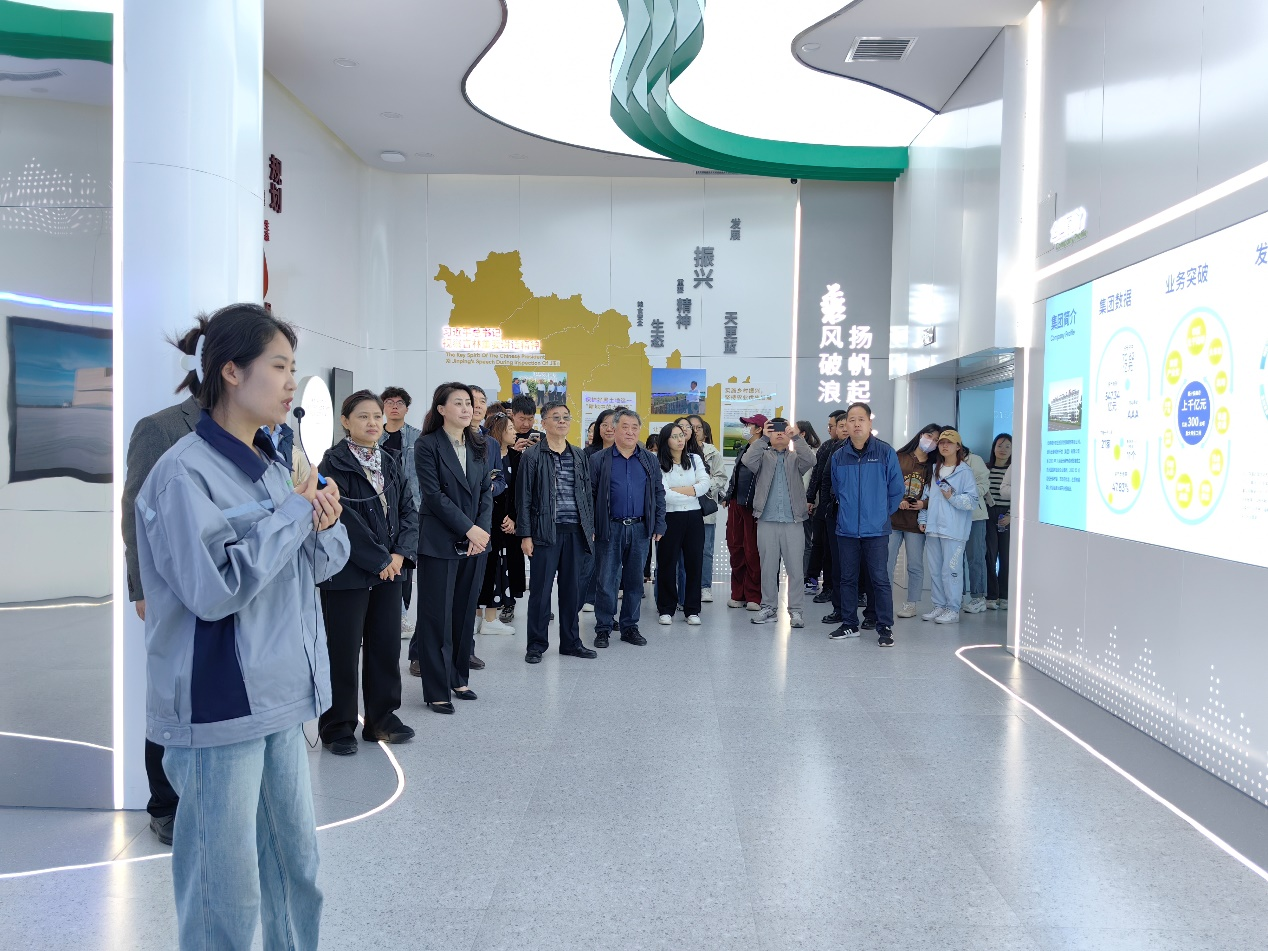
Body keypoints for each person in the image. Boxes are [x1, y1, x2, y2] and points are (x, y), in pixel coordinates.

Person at [135, 303, 349, 951]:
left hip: (280, 696)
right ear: (231, 371)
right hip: (220, 705)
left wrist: (324, 520)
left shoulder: (274, 463)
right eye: (279, 367)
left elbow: (312, 567)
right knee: (224, 893)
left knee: (295, 871)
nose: (291, 382)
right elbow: (214, 590)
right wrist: (293, 516)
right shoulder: (182, 473)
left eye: (293, 368)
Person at [121, 346, 205, 846]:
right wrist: (140, 586)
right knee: (170, 697)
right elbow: (136, 511)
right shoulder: (162, 427)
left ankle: (203, 797)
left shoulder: (255, 434)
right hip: (170, 588)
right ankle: (165, 804)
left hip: (227, 588)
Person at [317, 391, 418, 755]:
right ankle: (338, 726)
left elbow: (409, 509)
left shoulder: (389, 460)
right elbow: (344, 519)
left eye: (377, 416)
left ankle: (382, 719)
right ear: (345, 422)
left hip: (391, 570)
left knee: (386, 647)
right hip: (347, 572)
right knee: (343, 651)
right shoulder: (331, 464)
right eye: (363, 416)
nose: (373, 422)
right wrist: (380, 559)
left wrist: (400, 554)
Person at [411, 383, 493, 713]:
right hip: (439, 540)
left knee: (463, 613)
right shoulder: (427, 445)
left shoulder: (479, 444)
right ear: (441, 409)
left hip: (475, 543)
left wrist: (480, 533)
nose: (466, 408)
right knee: (436, 617)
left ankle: (459, 678)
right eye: (458, 403)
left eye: (469, 403)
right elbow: (433, 496)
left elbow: (485, 492)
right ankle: (436, 689)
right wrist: (469, 529)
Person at [516, 401, 599, 662]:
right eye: (556, 417)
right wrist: (525, 535)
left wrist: (589, 528)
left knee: (572, 591)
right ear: (544, 423)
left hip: (576, 532)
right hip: (544, 533)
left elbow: (587, 495)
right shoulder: (532, 456)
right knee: (540, 592)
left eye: (565, 417)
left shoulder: (579, 455)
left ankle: (571, 642)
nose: (562, 421)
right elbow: (523, 498)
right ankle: (536, 645)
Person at [827, 402, 903, 647]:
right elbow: (837, 489)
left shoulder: (885, 452)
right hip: (847, 529)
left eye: (861, 419)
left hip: (876, 529)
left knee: (879, 579)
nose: (856, 424)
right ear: (846, 425)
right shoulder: (839, 456)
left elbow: (896, 490)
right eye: (852, 420)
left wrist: (880, 514)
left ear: (870, 423)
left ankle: (885, 626)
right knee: (847, 579)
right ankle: (850, 624)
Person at [589, 409, 666, 647]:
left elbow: (658, 493)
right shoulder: (599, 459)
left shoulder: (649, 459)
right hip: (609, 528)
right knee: (606, 580)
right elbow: (590, 496)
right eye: (625, 427)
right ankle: (603, 628)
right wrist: (591, 526)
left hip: (640, 528)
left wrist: (659, 523)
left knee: (634, 582)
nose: (630, 432)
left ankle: (630, 627)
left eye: (635, 427)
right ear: (614, 429)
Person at [743, 418, 817, 628]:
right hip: (766, 520)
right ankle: (768, 608)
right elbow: (748, 460)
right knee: (767, 568)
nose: (778, 433)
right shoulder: (762, 456)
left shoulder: (796, 458)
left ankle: (796, 611)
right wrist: (763, 438)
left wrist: (796, 437)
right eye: (774, 430)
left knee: (796, 570)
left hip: (794, 521)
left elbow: (811, 460)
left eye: (783, 429)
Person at [918, 429, 979, 625]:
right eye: (942, 442)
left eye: (949, 443)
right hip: (933, 529)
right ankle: (939, 605)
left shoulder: (964, 472)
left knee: (951, 570)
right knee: (935, 570)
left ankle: (953, 609)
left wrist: (952, 497)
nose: (944, 446)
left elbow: (972, 501)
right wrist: (923, 518)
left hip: (954, 531)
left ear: (958, 447)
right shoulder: (936, 469)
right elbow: (927, 497)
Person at [654, 422, 711, 626]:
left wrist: (680, 490)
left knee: (694, 563)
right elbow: (663, 493)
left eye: (681, 435)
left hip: (694, 517)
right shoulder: (657, 462)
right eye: (674, 436)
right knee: (667, 564)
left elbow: (705, 484)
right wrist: (691, 490)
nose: (680, 440)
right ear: (665, 440)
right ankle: (666, 609)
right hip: (669, 518)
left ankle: (692, 609)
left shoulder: (695, 459)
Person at [379, 386, 422, 635]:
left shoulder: (417, 437)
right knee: (383, 559)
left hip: (410, 506)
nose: (394, 407)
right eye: (389, 402)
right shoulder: (375, 437)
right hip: (381, 505)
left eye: (399, 403)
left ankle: (402, 614)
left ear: (406, 408)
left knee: (405, 560)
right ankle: (387, 614)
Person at [889, 424, 941, 618]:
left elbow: (937, 495)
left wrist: (923, 504)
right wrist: (897, 500)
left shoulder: (934, 466)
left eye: (936, 440)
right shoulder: (899, 457)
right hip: (893, 520)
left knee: (915, 565)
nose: (931, 442)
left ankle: (911, 604)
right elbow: (886, 483)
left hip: (916, 523)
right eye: (929, 436)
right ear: (920, 435)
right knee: (886, 563)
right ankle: (882, 601)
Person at [498, 395, 541, 622]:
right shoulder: (503, 439)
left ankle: (541, 604)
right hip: (511, 509)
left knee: (540, 561)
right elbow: (507, 480)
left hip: (536, 510)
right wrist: (514, 452)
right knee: (511, 560)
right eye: (521, 419)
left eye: (530, 419)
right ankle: (509, 603)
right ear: (512, 415)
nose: (526, 424)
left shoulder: (542, 439)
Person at [477, 412, 519, 635]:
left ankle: (491, 617)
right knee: (481, 566)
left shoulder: (514, 457)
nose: (514, 432)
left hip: (502, 521)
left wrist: (513, 516)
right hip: (484, 518)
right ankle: (478, 617)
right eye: (510, 428)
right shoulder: (486, 449)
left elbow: (515, 490)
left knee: (495, 567)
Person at [677, 415, 725, 603]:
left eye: (698, 427)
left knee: (705, 551)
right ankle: (681, 589)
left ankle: (705, 587)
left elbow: (721, 477)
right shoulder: (674, 450)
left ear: (704, 432)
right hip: (680, 507)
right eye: (690, 427)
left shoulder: (712, 452)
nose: (694, 430)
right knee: (680, 553)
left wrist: (701, 487)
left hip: (704, 508)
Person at [806, 410, 846, 616]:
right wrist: (811, 498)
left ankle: (856, 592)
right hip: (827, 506)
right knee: (824, 547)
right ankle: (827, 586)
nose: (836, 429)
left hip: (848, 509)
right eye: (834, 426)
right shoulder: (828, 447)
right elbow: (819, 475)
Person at [581, 408, 621, 611]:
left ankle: (609, 601)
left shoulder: (625, 452)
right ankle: (589, 597)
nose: (608, 428)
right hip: (594, 514)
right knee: (592, 558)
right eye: (604, 424)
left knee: (613, 563)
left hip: (618, 515)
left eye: (613, 424)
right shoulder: (588, 454)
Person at [724, 415, 765, 611]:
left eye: (748, 425)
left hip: (753, 507)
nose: (745, 427)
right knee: (736, 549)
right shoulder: (744, 448)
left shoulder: (766, 450)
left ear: (759, 429)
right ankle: (737, 593)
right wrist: (728, 495)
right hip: (736, 504)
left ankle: (754, 596)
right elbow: (735, 476)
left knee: (752, 552)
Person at [961, 443, 992, 614]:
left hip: (975, 516)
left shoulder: (974, 459)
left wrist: (965, 496)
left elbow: (983, 484)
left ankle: (978, 598)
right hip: (953, 517)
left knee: (976, 557)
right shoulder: (943, 463)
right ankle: (956, 595)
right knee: (955, 560)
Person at [985, 433, 1013, 610]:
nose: (1003, 450)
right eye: (999, 446)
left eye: (1007, 446)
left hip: (1008, 515)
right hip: (988, 514)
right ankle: (991, 595)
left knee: (1006, 556)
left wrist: (1011, 515)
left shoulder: (1015, 470)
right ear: (994, 448)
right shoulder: (986, 468)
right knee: (989, 554)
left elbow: (1020, 495)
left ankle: (1005, 595)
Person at [795, 420, 822, 593]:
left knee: (807, 543)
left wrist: (807, 501)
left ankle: (808, 577)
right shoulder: (801, 453)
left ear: (803, 433)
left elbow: (807, 482)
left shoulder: (811, 454)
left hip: (807, 505)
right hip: (804, 504)